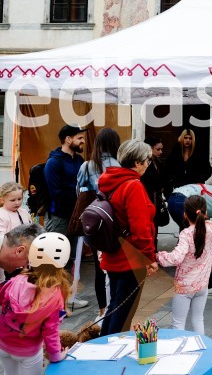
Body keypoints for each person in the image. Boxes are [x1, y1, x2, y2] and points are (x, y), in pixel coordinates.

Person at [97, 139, 159, 336]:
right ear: (137, 162)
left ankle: (104, 343)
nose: (148, 164)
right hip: (130, 257)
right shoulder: (133, 186)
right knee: (123, 311)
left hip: (113, 252)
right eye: (147, 160)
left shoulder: (110, 181)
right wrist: (149, 258)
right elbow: (141, 229)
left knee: (115, 305)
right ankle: (112, 347)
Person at [0, 232, 71, 375]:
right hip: (27, 351)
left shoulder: (15, 280)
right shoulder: (54, 297)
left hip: (2, 342)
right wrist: (55, 356)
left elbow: (0, 299)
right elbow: (50, 331)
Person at [156, 195, 212, 334]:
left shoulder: (186, 234)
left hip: (184, 288)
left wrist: (158, 256)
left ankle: (180, 347)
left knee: (178, 323)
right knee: (198, 319)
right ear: (205, 212)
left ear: (185, 215)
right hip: (202, 285)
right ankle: (201, 346)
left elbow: (175, 258)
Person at [69, 127, 121, 319]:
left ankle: (102, 310)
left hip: (93, 219)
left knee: (99, 266)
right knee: (114, 263)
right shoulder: (121, 165)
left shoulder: (87, 165)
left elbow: (78, 191)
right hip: (114, 218)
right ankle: (115, 305)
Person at [43, 125, 86, 287]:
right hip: (59, 218)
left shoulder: (79, 160)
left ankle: (65, 295)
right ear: (68, 139)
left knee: (70, 258)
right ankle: (49, 296)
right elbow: (56, 193)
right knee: (54, 259)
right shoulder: (54, 162)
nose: (83, 141)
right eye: (79, 138)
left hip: (75, 216)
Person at [141, 135, 170, 244]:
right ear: (150, 149)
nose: (161, 152)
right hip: (146, 198)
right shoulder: (143, 163)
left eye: (161, 149)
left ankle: (154, 247)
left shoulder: (158, 162)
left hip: (155, 198)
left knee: (155, 225)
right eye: (158, 149)